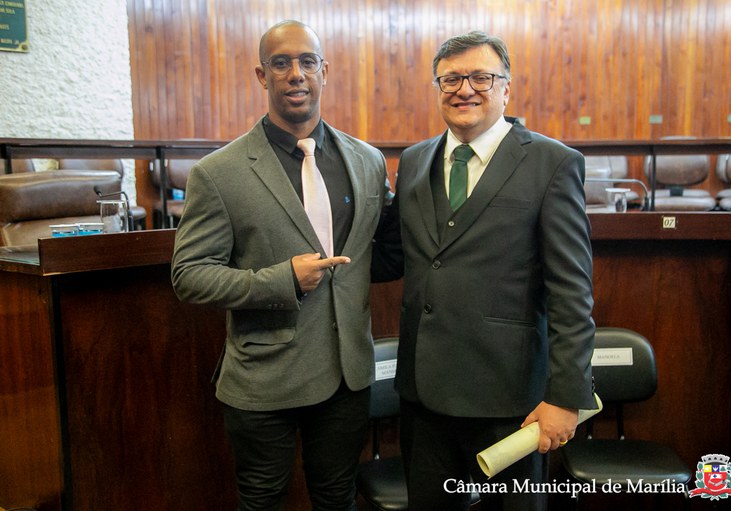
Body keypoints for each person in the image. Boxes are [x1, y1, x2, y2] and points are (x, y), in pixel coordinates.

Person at [171, 20, 399, 511]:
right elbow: (189, 275)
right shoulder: (219, 172)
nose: (296, 74)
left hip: (346, 374)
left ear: (324, 72)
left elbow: (379, 251)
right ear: (262, 75)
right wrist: (284, 280)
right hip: (264, 377)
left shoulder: (367, 160)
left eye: (307, 62)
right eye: (281, 63)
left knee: (338, 499)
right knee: (262, 501)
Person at [392, 31, 596, 510]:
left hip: (510, 402)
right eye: (451, 79)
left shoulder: (553, 163)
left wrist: (566, 397)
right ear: (437, 88)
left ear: (506, 87)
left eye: (481, 78)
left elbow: (571, 292)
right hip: (424, 397)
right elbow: (403, 255)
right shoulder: (415, 160)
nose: (464, 89)